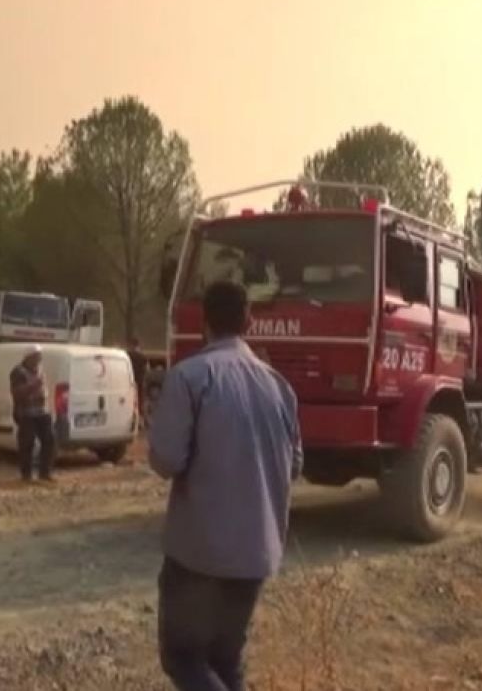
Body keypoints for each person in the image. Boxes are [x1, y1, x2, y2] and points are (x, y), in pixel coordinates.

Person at [149, 280, 302, 691]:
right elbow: (295, 465)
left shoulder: (190, 377)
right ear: (249, 321)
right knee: (225, 660)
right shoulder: (279, 387)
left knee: (184, 658)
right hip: (256, 555)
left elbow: (166, 460)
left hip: (199, 556)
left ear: (204, 322)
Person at [10, 346, 55, 482]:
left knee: (49, 440)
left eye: (39, 356)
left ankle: (45, 473)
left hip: (42, 411)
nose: (39, 359)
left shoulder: (40, 370)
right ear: (29, 357)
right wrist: (33, 386)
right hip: (26, 413)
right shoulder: (18, 372)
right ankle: (26, 475)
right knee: (27, 443)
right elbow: (16, 393)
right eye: (36, 356)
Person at [127, 337, 149, 424]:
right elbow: (147, 369)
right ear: (138, 345)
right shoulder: (143, 356)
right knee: (140, 401)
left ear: (131, 345)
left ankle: (132, 418)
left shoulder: (127, 355)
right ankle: (141, 420)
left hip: (129, 382)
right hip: (139, 382)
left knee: (130, 401)